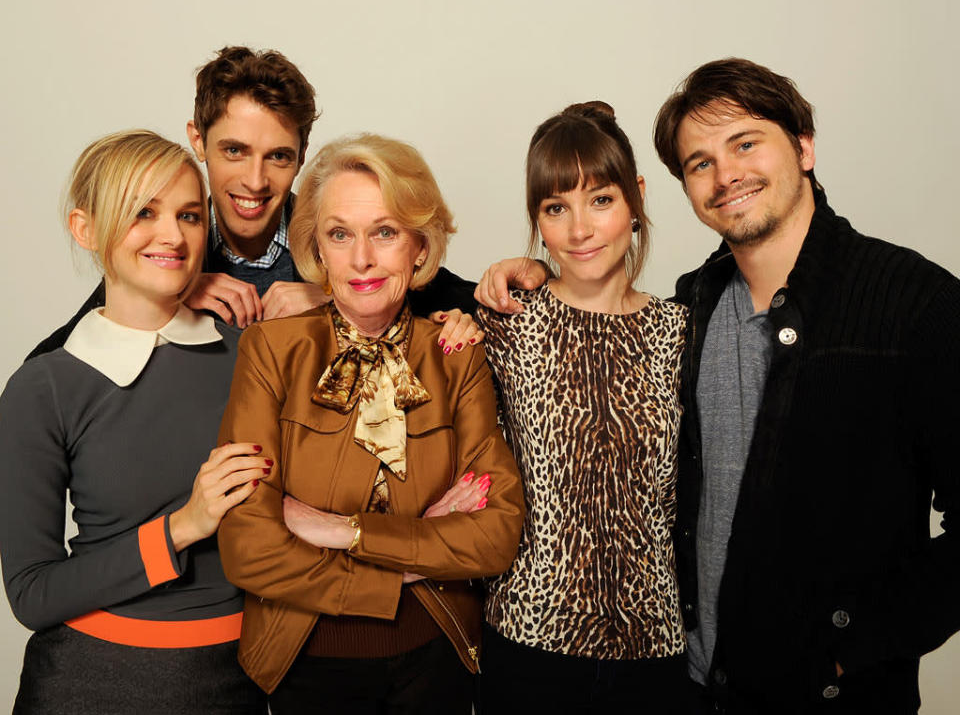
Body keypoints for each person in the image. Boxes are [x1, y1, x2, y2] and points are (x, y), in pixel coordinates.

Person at [479, 59, 960, 713]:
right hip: (691, 684)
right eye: (700, 162)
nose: (726, 173)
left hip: (834, 693)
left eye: (745, 143)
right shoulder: (694, 310)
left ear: (805, 146)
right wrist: (528, 271)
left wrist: (854, 647)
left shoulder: (916, 305)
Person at [215, 133, 525, 713]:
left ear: (419, 246)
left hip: (437, 655)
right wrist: (403, 569)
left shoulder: (457, 352)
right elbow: (248, 547)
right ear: (318, 249)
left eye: (384, 232)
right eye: (340, 234)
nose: (361, 259)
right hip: (302, 661)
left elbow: (498, 531)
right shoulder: (269, 351)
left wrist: (342, 532)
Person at [0, 131, 269, 713]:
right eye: (142, 212)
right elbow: (32, 593)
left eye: (190, 215)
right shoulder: (43, 386)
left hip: (237, 680)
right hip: (91, 682)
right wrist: (184, 526)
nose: (172, 235)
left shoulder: (254, 358)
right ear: (86, 228)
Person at [27, 46, 479, 358]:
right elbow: (52, 363)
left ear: (302, 156)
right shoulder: (165, 251)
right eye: (234, 151)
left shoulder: (340, 243)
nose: (255, 181)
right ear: (198, 141)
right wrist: (170, 292)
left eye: (278, 156)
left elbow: (470, 301)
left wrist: (336, 300)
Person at [473, 102, 691, 714]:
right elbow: (395, 288)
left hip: (656, 648)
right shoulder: (508, 322)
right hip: (529, 640)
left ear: (636, 199)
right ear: (537, 222)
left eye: (599, 200)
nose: (579, 230)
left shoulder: (682, 331)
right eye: (555, 208)